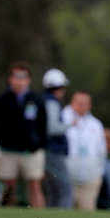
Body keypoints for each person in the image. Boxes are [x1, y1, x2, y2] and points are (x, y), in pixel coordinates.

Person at [0, 61, 47, 208]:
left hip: (32, 151)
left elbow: (43, 126)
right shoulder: (1, 101)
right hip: (8, 150)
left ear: (29, 79)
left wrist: (39, 144)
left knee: (35, 185)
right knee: (9, 186)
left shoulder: (37, 100)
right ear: (10, 78)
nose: (19, 80)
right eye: (16, 76)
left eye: (23, 76)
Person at [62, 91, 106, 211]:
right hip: (67, 178)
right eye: (79, 103)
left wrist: (98, 174)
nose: (82, 106)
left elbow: (101, 152)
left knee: (87, 212)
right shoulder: (62, 119)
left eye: (85, 103)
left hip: (90, 180)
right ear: (72, 103)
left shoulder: (96, 124)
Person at [41, 69, 73, 208]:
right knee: (65, 191)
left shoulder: (45, 101)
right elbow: (51, 128)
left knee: (53, 192)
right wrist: (70, 125)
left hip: (48, 152)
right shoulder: (52, 103)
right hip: (53, 152)